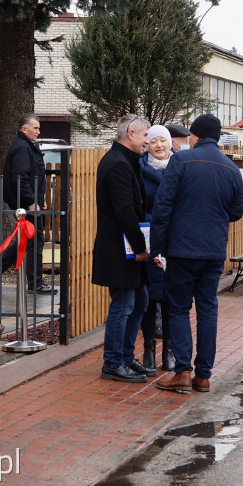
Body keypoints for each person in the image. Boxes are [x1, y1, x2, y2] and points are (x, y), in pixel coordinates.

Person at [152, 114, 243, 394]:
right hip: (214, 249)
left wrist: (157, 246)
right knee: (207, 309)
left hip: (181, 249)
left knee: (179, 308)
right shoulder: (231, 168)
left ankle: (182, 371)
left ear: (195, 136)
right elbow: (236, 212)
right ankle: (203, 375)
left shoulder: (181, 161)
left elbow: (163, 205)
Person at [92, 114, 151, 383]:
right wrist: (140, 246)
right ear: (131, 133)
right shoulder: (117, 164)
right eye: (144, 135)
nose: (147, 141)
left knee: (140, 301)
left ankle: (126, 357)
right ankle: (113, 363)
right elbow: (124, 210)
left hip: (126, 247)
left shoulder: (126, 161)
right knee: (124, 305)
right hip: (119, 249)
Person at [0, 114, 53, 294]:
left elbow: (34, 176)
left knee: (28, 240)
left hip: (30, 201)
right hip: (26, 203)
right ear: (24, 129)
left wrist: (40, 198)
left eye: (38, 128)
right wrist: (31, 202)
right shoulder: (22, 147)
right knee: (34, 242)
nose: (38, 131)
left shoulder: (27, 146)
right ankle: (35, 283)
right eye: (35, 128)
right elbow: (20, 178)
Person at [139, 124, 175, 375]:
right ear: (147, 144)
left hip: (174, 238)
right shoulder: (139, 169)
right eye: (154, 141)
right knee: (149, 298)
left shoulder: (180, 166)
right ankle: (149, 349)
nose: (159, 145)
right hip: (148, 237)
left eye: (163, 140)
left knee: (173, 297)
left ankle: (170, 350)